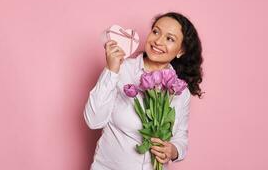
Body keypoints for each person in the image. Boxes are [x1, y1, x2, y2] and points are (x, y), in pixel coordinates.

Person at [83, 12, 204, 170]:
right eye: (156, 31)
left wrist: (173, 151)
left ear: (181, 51)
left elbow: (180, 136)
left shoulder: (179, 90)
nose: (158, 41)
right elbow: (93, 121)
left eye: (170, 38)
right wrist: (111, 71)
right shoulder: (121, 70)